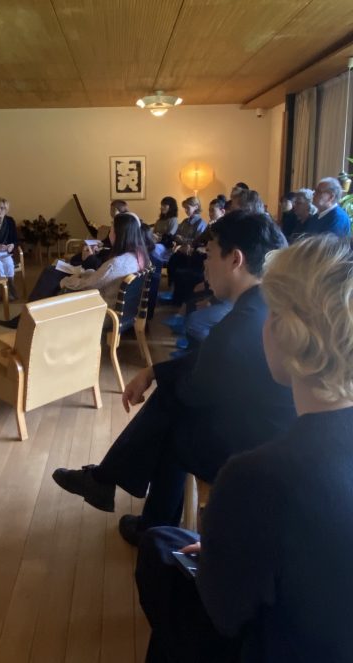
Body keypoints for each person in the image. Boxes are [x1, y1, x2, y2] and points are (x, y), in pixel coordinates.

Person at [135, 234, 353, 663]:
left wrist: (222, 555)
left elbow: (225, 612)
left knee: (160, 550)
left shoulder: (258, 476)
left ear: (283, 330)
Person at [50, 212, 295, 545]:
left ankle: (129, 503)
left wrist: (159, 380)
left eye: (209, 255)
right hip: (269, 431)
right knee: (171, 402)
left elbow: (196, 387)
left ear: (235, 259)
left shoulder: (239, 325)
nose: (204, 264)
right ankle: (127, 502)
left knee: (173, 418)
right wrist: (153, 371)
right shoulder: (263, 304)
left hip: (258, 451)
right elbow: (209, 361)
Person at [0, 213, 149, 329]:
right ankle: (27, 318)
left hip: (102, 312)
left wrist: (66, 281)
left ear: (119, 233)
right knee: (53, 276)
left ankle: (27, 320)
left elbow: (88, 285)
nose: (109, 233)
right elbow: (101, 278)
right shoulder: (137, 256)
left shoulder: (116, 263)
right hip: (120, 309)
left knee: (55, 282)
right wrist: (84, 273)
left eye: (112, 229)